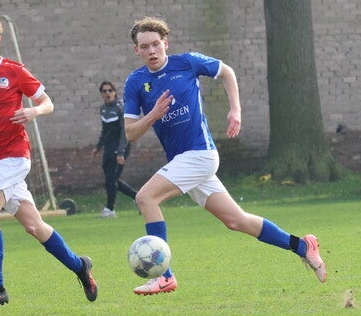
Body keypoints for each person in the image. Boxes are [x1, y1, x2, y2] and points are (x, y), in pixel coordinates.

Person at [122, 16, 326, 295]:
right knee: (236, 220)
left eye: (156, 44)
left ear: (165, 43)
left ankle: (165, 276)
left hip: (200, 155)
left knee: (145, 198)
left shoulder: (187, 63)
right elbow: (131, 133)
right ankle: (303, 246)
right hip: (182, 162)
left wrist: (235, 110)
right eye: (144, 47)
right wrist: (153, 115)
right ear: (136, 50)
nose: (151, 51)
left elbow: (226, 72)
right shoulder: (135, 82)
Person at [0, 9, 97, 310]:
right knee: (34, 226)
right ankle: (80, 266)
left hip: (15, 157)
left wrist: (33, 111)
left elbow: (48, 102)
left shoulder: (15, 71)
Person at [91, 81, 138, 217]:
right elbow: (105, 130)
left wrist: (121, 152)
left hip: (120, 148)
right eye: (104, 91)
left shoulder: (120, 108)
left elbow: (125, 133)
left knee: (111, 180)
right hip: (109, 148)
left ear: (114, 92)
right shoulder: (103, 109)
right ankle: (139, 198)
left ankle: (110, 209)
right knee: (111, 180)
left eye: (110, 90)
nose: (107, 93)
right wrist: (98, 147)